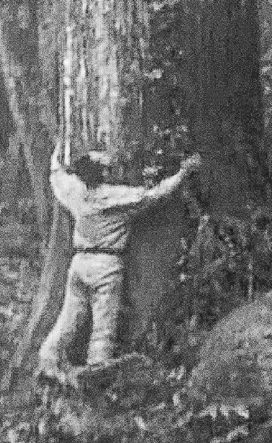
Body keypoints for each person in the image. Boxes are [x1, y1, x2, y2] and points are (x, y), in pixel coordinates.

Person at [38, 140, 202, 387]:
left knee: (70, 318)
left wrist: (58, 148)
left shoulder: (74, 191)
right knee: (104, 325)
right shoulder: (117, 198)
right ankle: (96, 372)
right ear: (103, 173)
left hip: (80, 262)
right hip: (106, 264)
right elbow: (155, 194)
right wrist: (183, 173)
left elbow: (56, 174)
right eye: (106, 167)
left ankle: (48, 359)